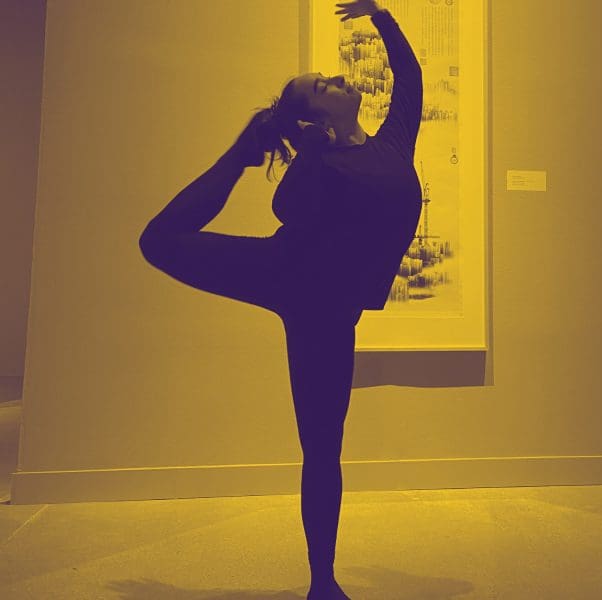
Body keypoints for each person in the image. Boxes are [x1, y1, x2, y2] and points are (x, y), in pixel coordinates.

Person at [138, 1, 422, 598]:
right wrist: (303, 148)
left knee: (324, 445)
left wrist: (382, 16)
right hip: (290, 277)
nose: (336, 77)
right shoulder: (319, 163)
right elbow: (287, 210)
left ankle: (324, 582)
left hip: (333, 310)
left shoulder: (394, 144)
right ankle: (238, 155)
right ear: (313, 118)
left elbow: (410, 77)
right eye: (320, 84)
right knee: (159, 242)